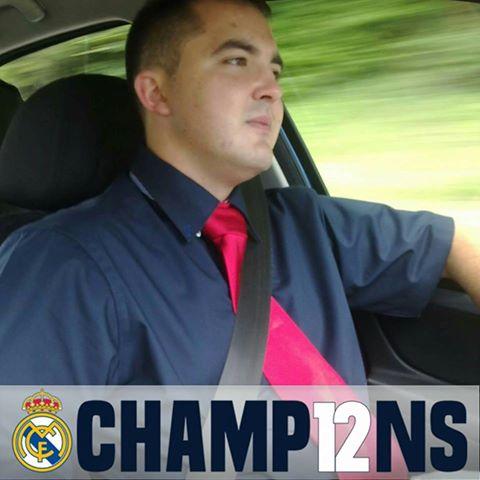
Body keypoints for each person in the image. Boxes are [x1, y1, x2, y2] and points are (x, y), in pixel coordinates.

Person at [0, 0, 478, 386]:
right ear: (157, 94)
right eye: (235, 61)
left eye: (275, 71)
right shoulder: (62, 266)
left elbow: (456, 242)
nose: (271, 89)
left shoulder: (305, 221)